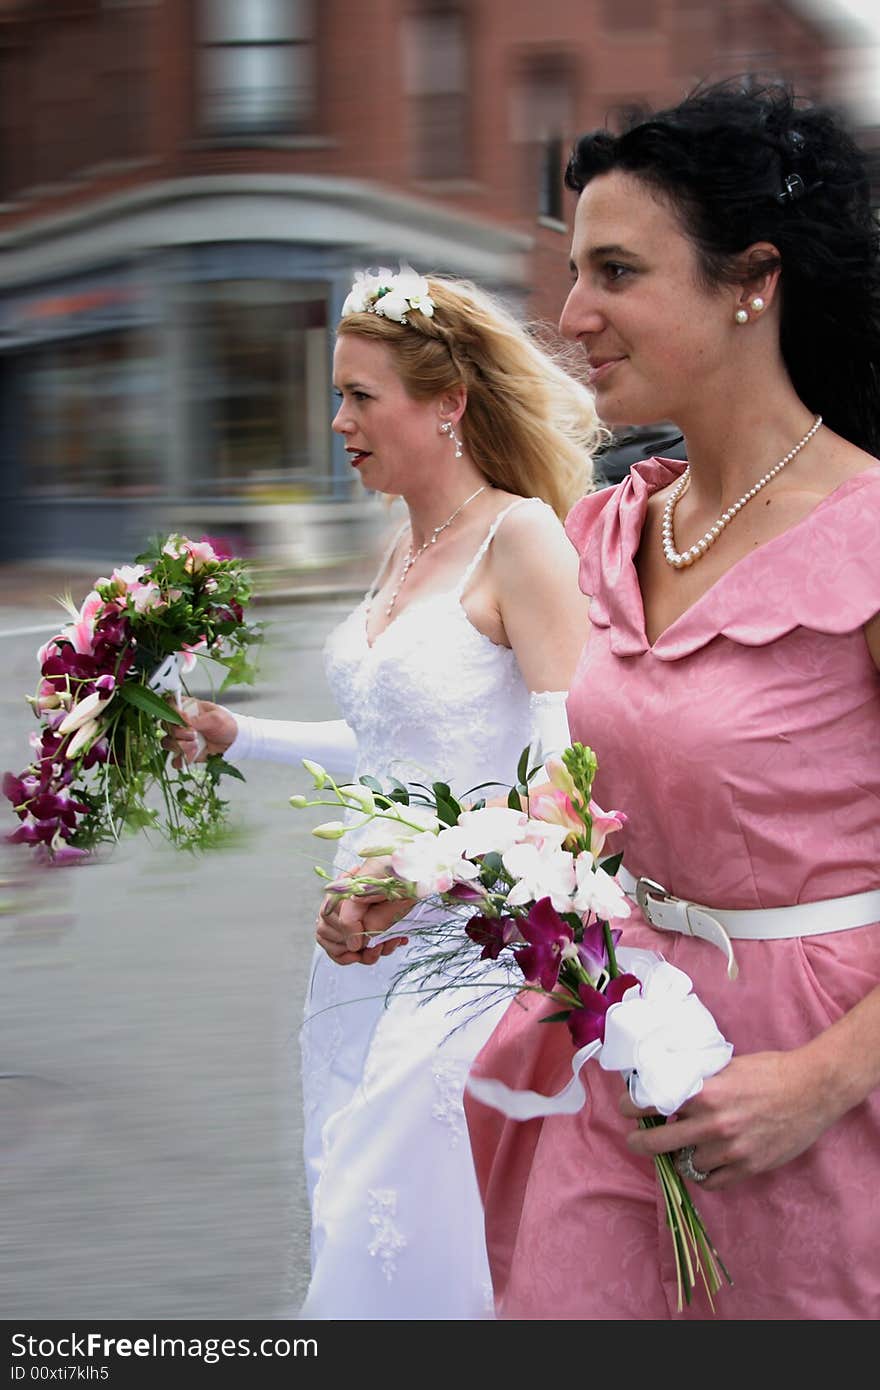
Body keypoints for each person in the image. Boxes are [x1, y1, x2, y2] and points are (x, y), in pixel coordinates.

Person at [336, 83, 880, 1320]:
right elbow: (567, 792)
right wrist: (429, 870)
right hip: (612, 1038)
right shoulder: (598, 529)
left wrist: (824, 1078)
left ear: (752, 281)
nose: (571, 312)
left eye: (617, 271)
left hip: (812, 1088)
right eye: (575, 268)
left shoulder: (870, 537)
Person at [167, 265, 602, 1318]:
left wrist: (431, 874)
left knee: (404, 1229)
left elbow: (571, 774)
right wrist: (235, 734)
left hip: (473, 955)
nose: (337, 421)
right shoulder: (406, 546)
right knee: (361, 1211)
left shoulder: (522, 537)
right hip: (365, 949)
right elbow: (394, 739)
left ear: (447, 402)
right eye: (337, 396)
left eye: (361, 396)